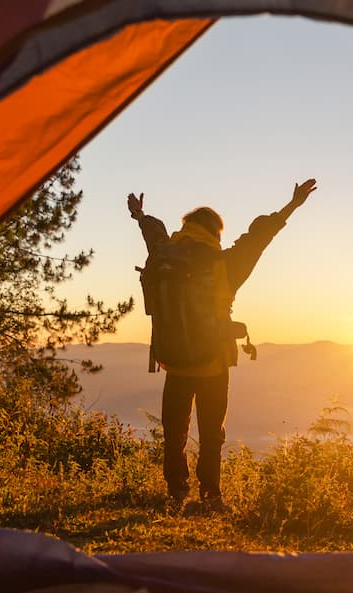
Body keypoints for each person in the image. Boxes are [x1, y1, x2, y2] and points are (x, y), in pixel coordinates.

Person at [127, 179, 317, 513]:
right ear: (215, 232)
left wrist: (139, 214)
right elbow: (260, 236)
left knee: (174, 431)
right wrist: (292, 206)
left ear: (186, 227)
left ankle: (175, 492)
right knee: (211, 433)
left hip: (172, 360)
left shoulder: (163, 254)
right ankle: (210, 497)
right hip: (212, 362)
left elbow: (153, 231)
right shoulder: (227, 264)